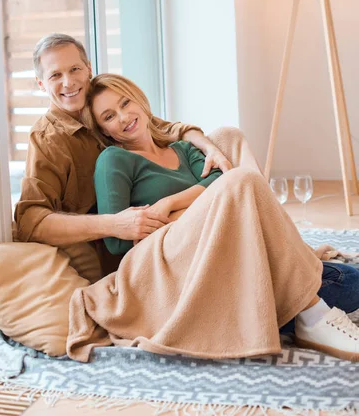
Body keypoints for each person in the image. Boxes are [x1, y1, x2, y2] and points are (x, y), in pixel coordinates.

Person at [73, 72, 359, 362]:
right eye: (109, 116)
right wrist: (188, 217)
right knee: (336, 281)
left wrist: (169, 204)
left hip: (216, 252)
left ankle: (253, 307)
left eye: (125, 103)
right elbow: (116, 243)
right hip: (167, 263)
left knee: (349, 282)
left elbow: (218, 181)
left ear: (140, 101)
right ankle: (312, 316)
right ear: (104, 130)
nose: (123, 117)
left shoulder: (183, 149)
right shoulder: (114, 159)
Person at [14, 33, 235, 280]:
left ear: (88, 69)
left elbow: (165, 129)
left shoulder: (104, 102)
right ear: (41, 84)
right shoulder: (48, 139)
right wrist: (113, 224)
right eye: (55, 75)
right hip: (127, 252)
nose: (68, 82)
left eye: (75, 69)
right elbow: (30, 221)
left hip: (171, 227)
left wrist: (210, 148)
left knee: (230, 140)